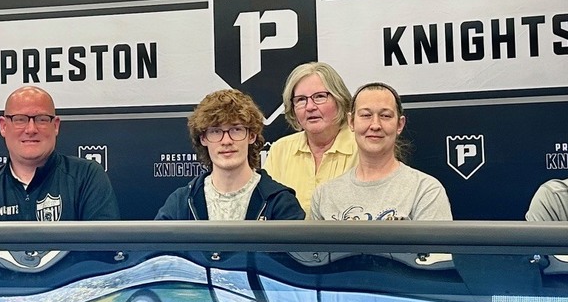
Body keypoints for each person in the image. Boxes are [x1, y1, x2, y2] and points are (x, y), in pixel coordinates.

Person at [0, 85, 120, 221]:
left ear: (55, 126)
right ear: (3, 126)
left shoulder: (86, 177)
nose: (31, 129)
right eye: (20, 119)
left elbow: (104, 254)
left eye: (41, 119)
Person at [310, 82, 452, 221]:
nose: (375, 125)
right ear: (351, 122)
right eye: (366, 115)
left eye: (385, 116)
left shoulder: (425, 191)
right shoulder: (325, 195)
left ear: (400, 124)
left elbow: (436, 245)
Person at [154, 89, 304, 220]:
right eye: (215, 131)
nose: (226, 141)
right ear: (203, 138)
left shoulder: (281, 203)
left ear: (251, 136)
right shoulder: (181, 202)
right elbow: (154, 251)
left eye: (236, 129)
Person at [263, 62, 358, 214]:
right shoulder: (280, 150)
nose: (310, 107)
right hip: (288, 238)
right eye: (301, 100)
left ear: (339, 99)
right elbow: (267, 211)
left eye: (319, 97)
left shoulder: (362, 146)